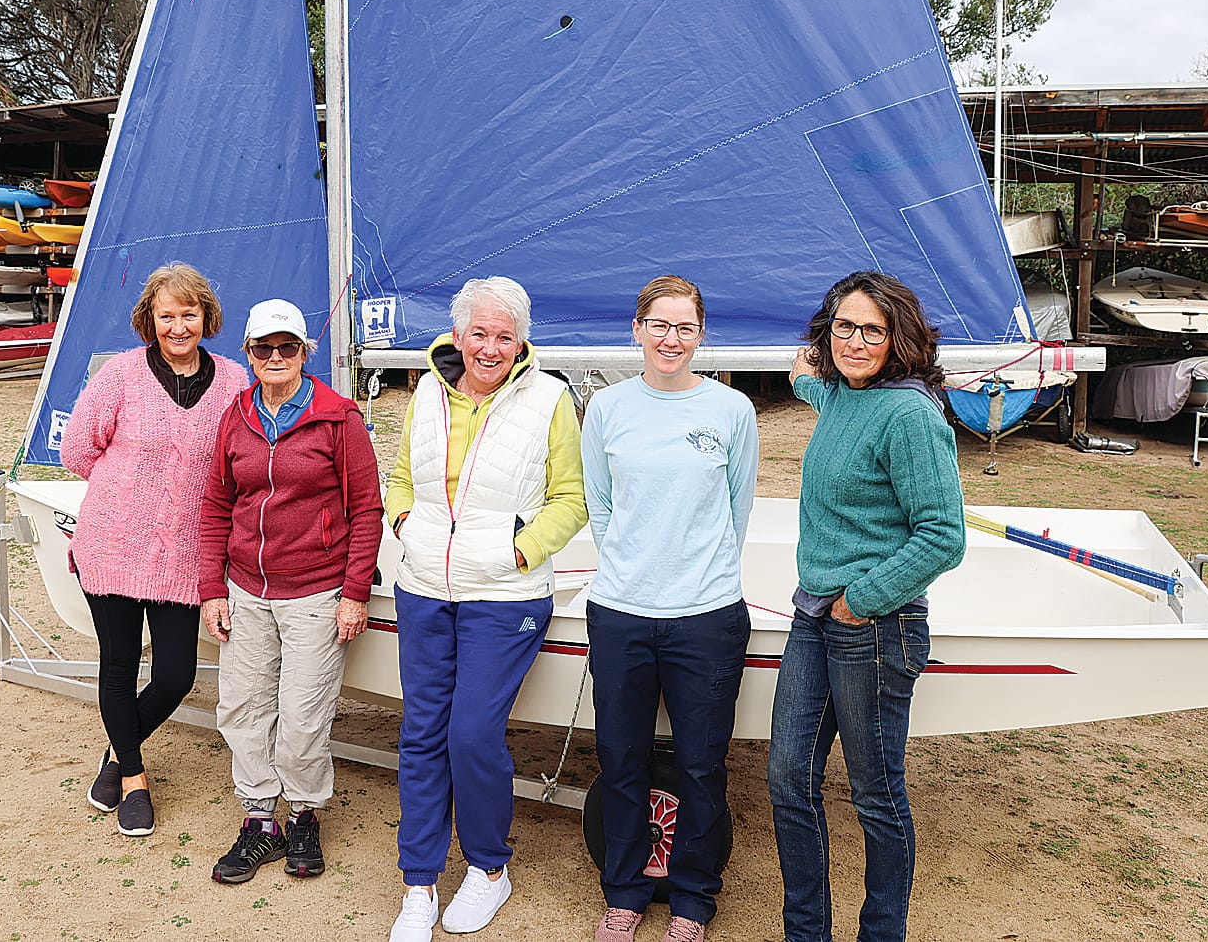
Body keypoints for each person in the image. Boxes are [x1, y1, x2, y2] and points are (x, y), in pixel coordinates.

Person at [383, 276, 588, 942]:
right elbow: (402, 476)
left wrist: (520, 553)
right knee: (419, 735)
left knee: (469, 735)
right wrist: (404, 522)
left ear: (522, 339)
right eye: (479, 333)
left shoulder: (551, 397)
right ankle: (417, 885)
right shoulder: (426, 390)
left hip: (503, 595)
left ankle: (488, 871)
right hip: (422, 586)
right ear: (459, 333)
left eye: (504, 336)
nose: (490, 348)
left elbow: (571, 498)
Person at [769, 270, 967, 942]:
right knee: (787, 781)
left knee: (875, 799)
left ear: (897, 338)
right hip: (812, 616)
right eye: (842, 326)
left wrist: (861, 601)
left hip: (874, 626)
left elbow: (942, 535)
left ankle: (881, 934)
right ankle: (807, 934)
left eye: (871, 330)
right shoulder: (846, 396)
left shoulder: (910, 415)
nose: (854, 341)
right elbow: (830, 397)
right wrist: (803, 377)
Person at [582, 275, 759, 942]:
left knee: (699, 765)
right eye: (659, 324)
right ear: (636, 329)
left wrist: (693, 573)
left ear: (700, 335)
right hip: (621, 609)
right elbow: (600, 504)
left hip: (706, 613)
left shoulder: (730, 410)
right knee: (621, 758)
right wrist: (633, 564)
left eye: (684, 327)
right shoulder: (607, 408)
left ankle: (690, 901)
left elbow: (735, 508)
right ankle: (624, 893)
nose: (670, 338)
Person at [58, 263, 249, 838]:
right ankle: (135, 778)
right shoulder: (119, 375)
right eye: (166, 315)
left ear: (206, 317)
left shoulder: (236, 381)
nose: (178, 326)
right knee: (117, 667)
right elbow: (77, 451)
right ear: (150, 319)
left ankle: (116, 752)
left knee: (174, 676)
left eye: (189, 314)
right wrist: (130, 494)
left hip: (186, 556)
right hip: (113, 544)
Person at [197, 299, 384, 886]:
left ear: (306, 352)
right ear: (248, 354)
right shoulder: (236, 414)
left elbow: (366, 509)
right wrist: (212, 589)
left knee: (303, 718)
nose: (275, 358)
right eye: (262, 349)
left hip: (316, 592)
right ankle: (260, 821)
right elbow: (215, 505)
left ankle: (302, 813)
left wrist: (354, 591)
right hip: (245, 588)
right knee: (243, 708)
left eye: (288, 348)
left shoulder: (338, 419)